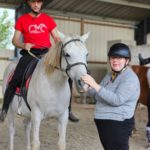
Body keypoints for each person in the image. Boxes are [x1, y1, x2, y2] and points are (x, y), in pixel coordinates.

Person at [0, 0, 79, 122]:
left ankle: (68, 110)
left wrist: (60, 46)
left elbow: (56, 37)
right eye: (33, 2)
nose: (36, 5)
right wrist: (23, 44)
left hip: (47, 54)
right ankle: (4, 108)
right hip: (30, 52)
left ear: (41, 3)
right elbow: (15, 40)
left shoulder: (48, 19)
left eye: (39, 2)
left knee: (67, 74)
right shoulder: (22, 20)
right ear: (29, 3)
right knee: (16, 77)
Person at [81, 43, 140, 150]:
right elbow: (98, 96)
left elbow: (117, 100)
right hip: (105, 123)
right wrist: (89, 88)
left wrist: (95, 85)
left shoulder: (130, 78)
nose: (115, 60)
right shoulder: (110, 75)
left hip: (118, 124)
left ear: (127, 60)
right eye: (113, 57)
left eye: (119, 58)